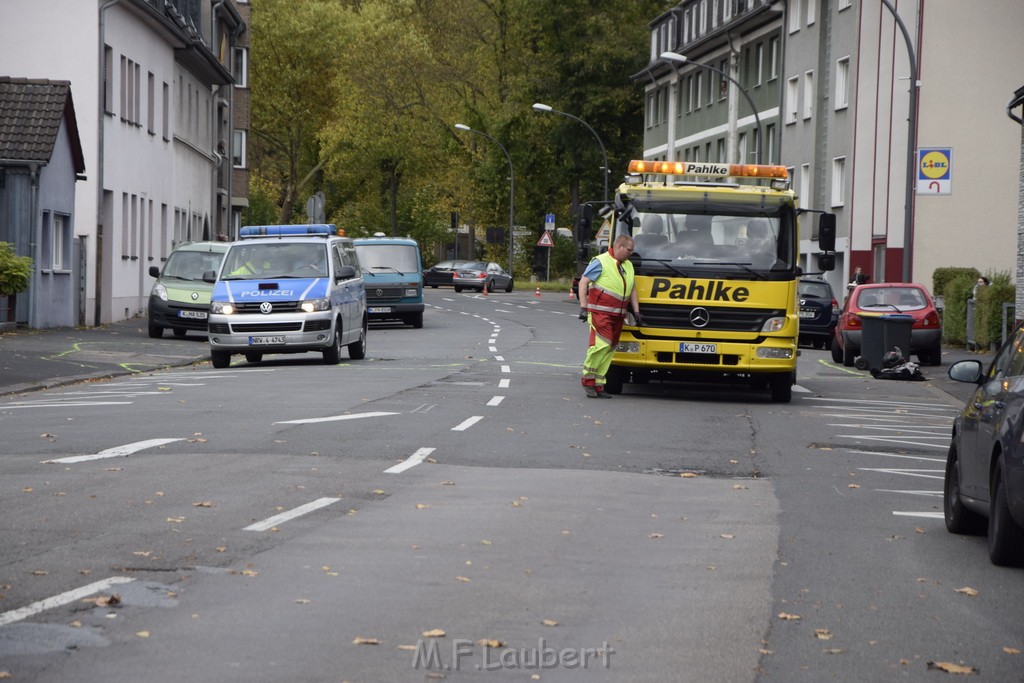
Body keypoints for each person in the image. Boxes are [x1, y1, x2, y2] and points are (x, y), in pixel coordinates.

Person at [577, 235, 641, 399]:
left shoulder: (628, 266)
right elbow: (583, 282)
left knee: (610, 349)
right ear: (619, 246)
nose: (631, 253)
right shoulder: (600, 261)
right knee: (601, 346)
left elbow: (632, 289)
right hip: (600, 313)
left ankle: (599, 384)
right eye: (629, 250)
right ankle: (588, 380)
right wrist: (583, 307)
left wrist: (637, 311)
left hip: (618, 316)